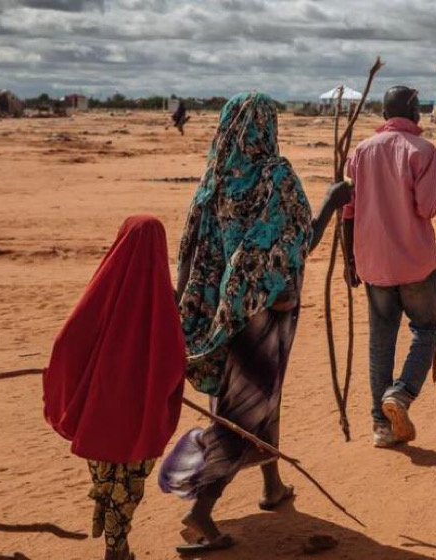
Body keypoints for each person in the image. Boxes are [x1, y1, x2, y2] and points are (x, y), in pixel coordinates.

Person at [158, 92, 350, 553]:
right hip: (267, 312)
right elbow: (298, 243)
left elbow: (192, 256)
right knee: (245, 407)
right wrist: (333, 199)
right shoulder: (274, 176)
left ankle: (272, 486)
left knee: (262, 394)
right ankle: (201, 508)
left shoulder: (214, 182)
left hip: (220, 316)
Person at [43, 215, 187, 560]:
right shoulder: (162, 299)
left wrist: (67, 382)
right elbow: (173, 359)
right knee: (126, 489)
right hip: (136, 420)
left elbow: (68, 340)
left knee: (106, 483)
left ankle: (115, 546)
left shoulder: (103, 286)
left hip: (98, 418)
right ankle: (116, 548)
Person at [342, 86, 436, 448]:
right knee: (427, 329)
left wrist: (350, 260)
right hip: (416, 265)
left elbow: (348, 210)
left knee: (380, 341)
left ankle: (381, 426)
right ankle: (402, 394)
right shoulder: (423, 151)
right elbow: (426, 207)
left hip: (374, 264)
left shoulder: (361, 151)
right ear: (414, 112)